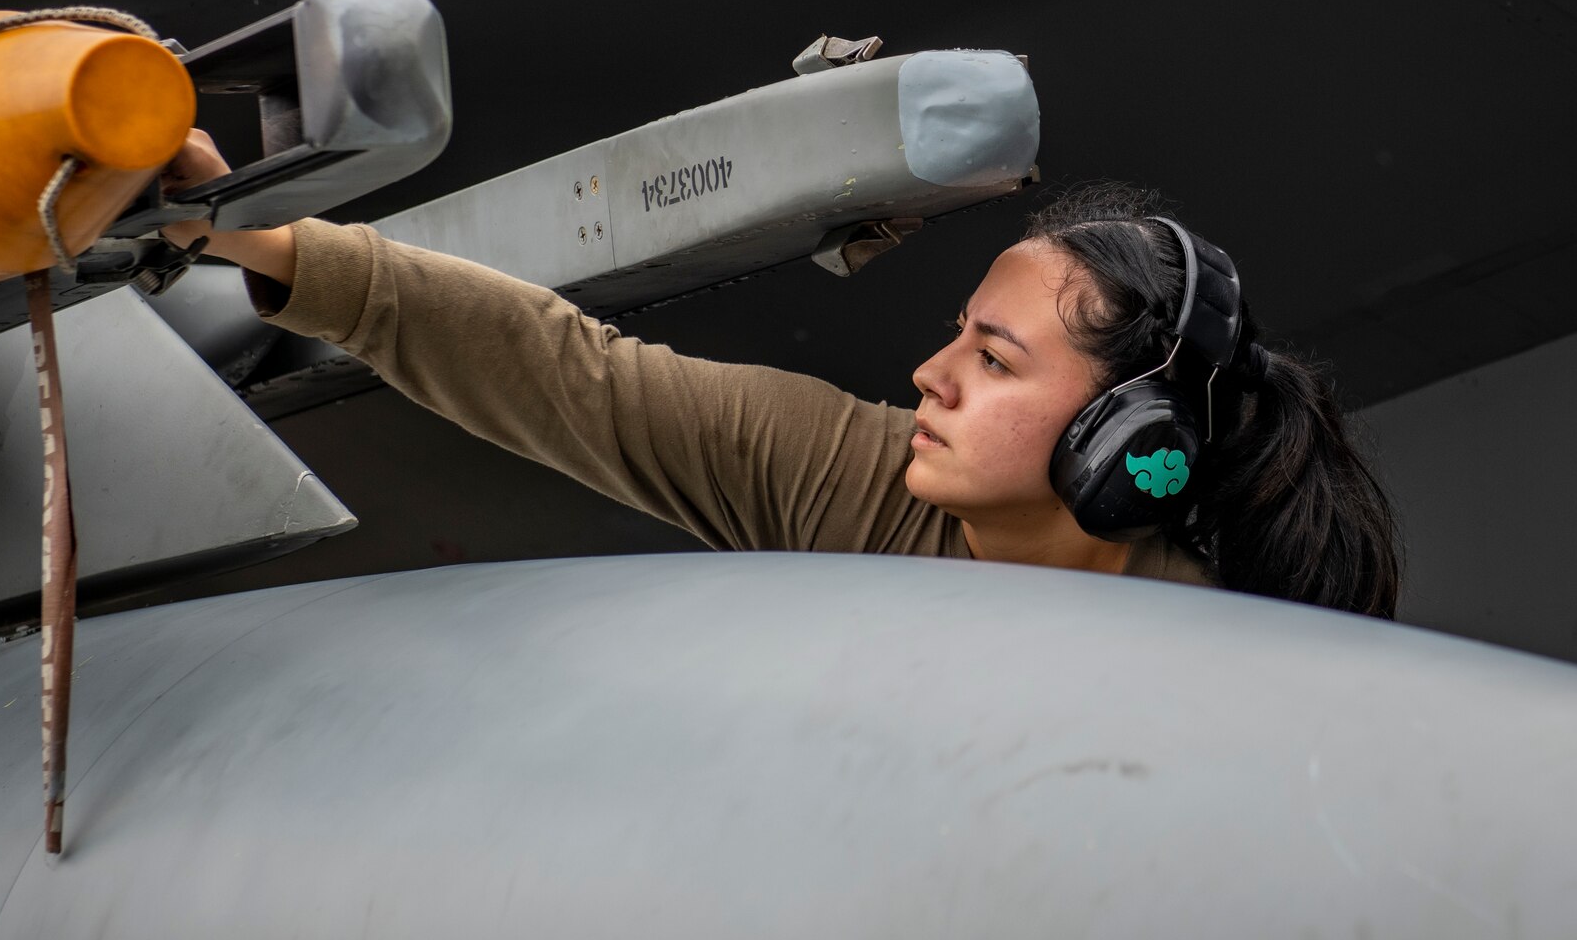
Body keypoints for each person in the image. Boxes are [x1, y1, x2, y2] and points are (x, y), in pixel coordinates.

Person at [160, 131, 1400, 618]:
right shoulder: (855, 488)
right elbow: (567, 375)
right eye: (957, 333)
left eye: (991, 355)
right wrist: (250, 241)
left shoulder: (1221, 652)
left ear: (1127, 434)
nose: (930, 374)